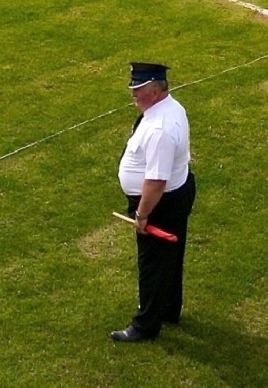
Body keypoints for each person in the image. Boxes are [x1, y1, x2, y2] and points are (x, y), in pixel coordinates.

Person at [111, 60, 196, 343]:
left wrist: (142, 215)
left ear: (157, 91)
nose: (133, 94)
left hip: (160, 203)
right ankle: (169, 309)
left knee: (153, 264)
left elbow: (156, 182)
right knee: (171, 257)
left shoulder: (159, 128)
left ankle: (146, 326)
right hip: (177, 193)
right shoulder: (171, 107)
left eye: (139, 89)